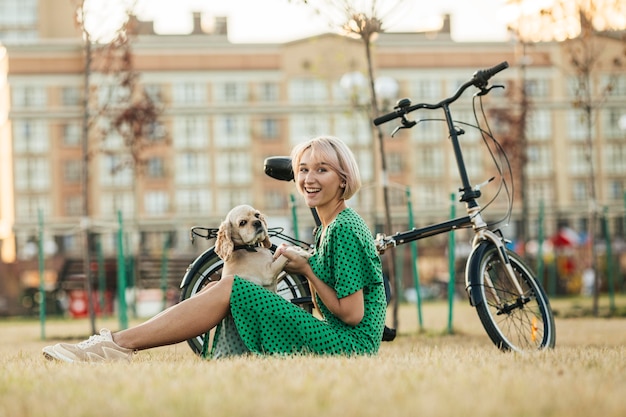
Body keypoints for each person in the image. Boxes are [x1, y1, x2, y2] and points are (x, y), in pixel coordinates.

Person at [42, 136, 387, 362]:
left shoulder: (343, 228)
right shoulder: (329, 226)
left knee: (233, 286)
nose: (309, 179)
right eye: (303, 170)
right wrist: (301, 270)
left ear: (343, 178)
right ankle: (113, 343)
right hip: (339, 338)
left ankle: (116, 345)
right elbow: (325, 303)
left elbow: (352, 315)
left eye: (322, 170)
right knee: (223, 288)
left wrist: (307, 269)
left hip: (348, 347)